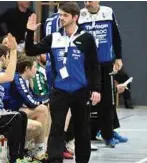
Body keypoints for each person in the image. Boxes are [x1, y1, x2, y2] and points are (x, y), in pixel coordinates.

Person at [25, 2, 101, 163]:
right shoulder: (54, 37)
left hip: (81, 91)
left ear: (75, 17)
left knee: (82, 130)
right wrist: (30, 32)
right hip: (59, 90)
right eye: (60, 15)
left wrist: (96, 89)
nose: (61, 18)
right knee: (57, 128)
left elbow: (95, 65)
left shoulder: (86, 38)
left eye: (65, 15)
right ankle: (54, 160)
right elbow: (30, 51)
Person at [78, 1, 128, 147]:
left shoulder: (108, 12)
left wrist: (118, 57)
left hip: (106, 63)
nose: (87, 3)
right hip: (87, 65)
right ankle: (85, 136)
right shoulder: (80, 15)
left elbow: (116, 36)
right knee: (88, 100)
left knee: (107, 101)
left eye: (90, 0)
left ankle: (108, 135)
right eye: (85, 0)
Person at [2, 55, 50, 162]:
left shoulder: (23, 79)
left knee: (43, 110)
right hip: (9, 114)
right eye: (34, 67)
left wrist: (49, 97)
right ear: (27, 68)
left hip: (15, 112)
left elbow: (34, 97)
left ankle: (39, 151)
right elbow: (31, 103)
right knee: (41, 110)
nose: (36, 69)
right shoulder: (17, 78)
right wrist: (47, 99)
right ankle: (22, 149)